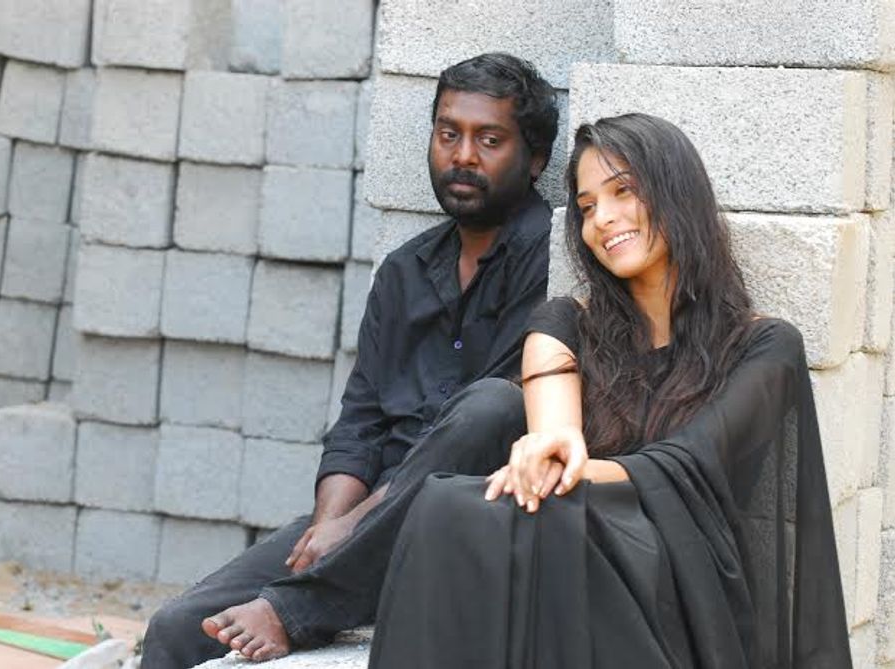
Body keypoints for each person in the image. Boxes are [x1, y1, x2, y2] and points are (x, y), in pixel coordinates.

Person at [367, 113, 852, 668]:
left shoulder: (765, 345)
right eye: (587, 206)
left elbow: (692, 461)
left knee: (537, 513)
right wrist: (550, 452)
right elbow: (556, 438)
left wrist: (572, 471)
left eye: (623, 191)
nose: (603, 219)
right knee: (446, 505)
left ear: (676, 191)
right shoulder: (563, 324)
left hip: (685, 581)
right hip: (575, 542)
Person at [140, 52, 560, 667]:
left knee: (492, 405)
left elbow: (487, 432)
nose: (463, 156)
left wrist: (357, 524)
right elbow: (360, 419)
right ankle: (318, 586)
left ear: (536, 159)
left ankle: (299, 609)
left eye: (489, 140)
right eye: (448, 134)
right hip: (369, 513)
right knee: (178, 627)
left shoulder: (548, 260)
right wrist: (330, 525)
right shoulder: (404, 271)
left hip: (471, 513)